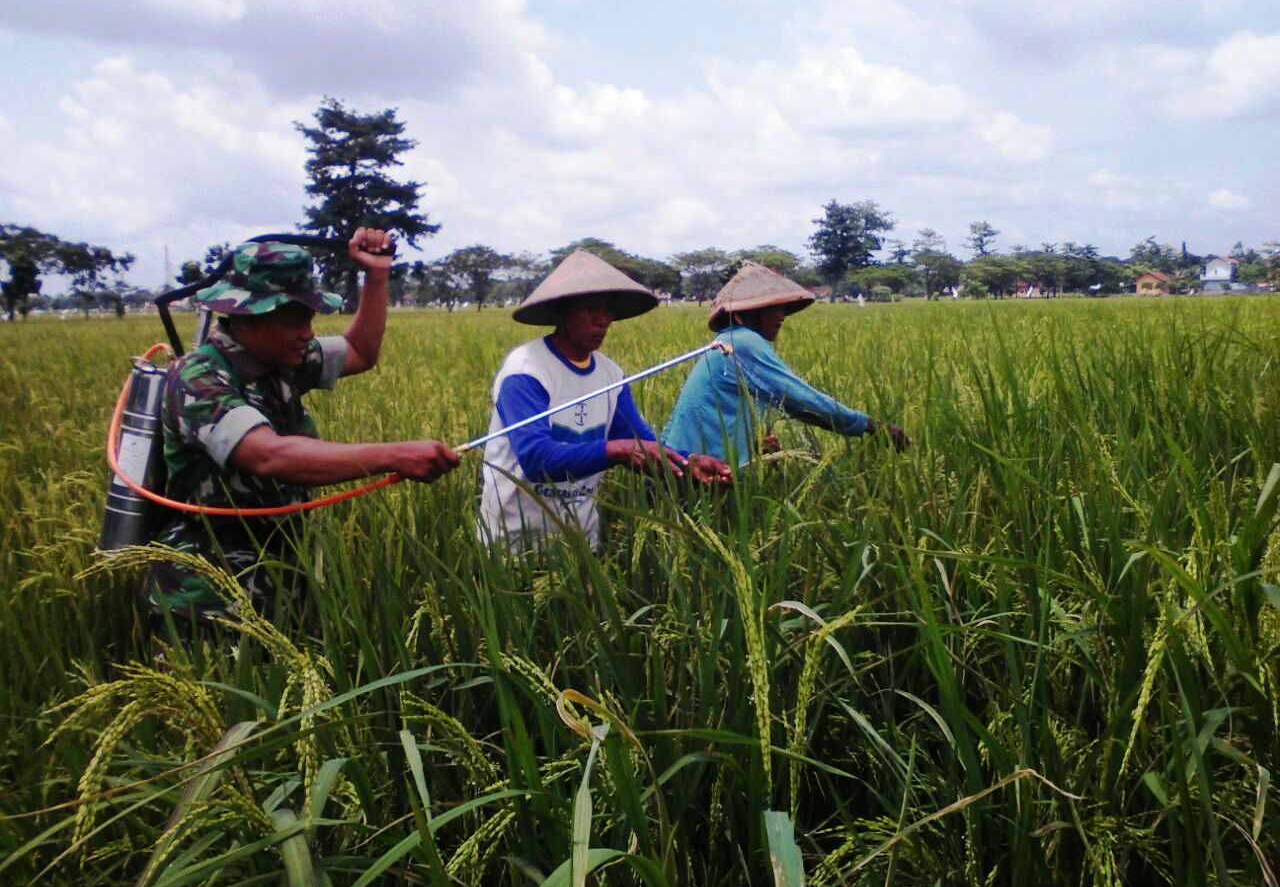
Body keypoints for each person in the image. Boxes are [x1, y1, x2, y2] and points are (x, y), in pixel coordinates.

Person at [146, 229, 459, 627]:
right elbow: (267, 455)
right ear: (248, 314)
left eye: (309, 318)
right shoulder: (198, 378)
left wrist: (376, 277)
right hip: (205, 599)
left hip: (277, 578)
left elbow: (360, 352)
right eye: (294, 320)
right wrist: (395, 456)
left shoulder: (282, 359)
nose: (308, 333)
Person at [479, 249, 730, 552]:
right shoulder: (527, 370)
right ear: (561, 310)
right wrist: (616, 451)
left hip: (579, 542)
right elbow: (536, 459)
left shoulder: (611, 375)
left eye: (608, 310)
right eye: (590, 308)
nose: (603, 320)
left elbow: (639, 443)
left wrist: (687, 462)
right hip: (515, 544)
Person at [661, 261, 908, 467]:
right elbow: (800, 399)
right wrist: (870, 424)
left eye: (782, 308)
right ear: (740, 314)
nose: (781, 316)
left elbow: (720, 417)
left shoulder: (729, 341)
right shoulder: (741, 342)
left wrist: (752, 446)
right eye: (771, 309)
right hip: (695, 468)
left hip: (681, 463)